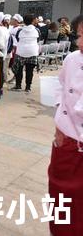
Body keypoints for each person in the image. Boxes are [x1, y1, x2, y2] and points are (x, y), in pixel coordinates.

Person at [48, 14, 83, 236]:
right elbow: (61, 87)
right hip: (68, 146)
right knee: (63, 204)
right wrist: (60, 125)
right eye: (80, 36)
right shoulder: (72, 59)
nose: (79, 43)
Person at [11, 14, 39, 92]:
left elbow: (17, 38)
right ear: (33, 21)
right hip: (32, 51)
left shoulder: (20, 30)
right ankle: (28, 87)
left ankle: (18, 85)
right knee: (29, 70)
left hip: (21, 51)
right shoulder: (37, 30)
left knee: (19, 69)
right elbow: (39, 39)